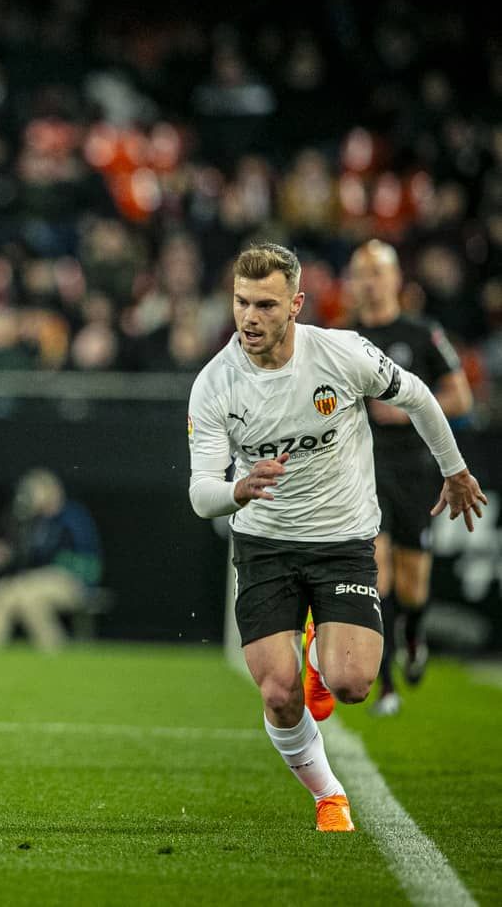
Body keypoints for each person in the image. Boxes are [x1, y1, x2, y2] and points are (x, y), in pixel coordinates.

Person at [187, 243, 486, 832]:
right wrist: (238, 490)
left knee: (350, 684)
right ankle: (329, 795)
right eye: (242, 303)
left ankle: (323, 658)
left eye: (267, 305)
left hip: (342, 538)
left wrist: (454, 470)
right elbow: (201, 493)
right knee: (278, 691)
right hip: (266, 544)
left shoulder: (342, 353)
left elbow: (420, 396)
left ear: (296, 305)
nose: (250, 318)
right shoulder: (214, 383)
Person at [347, 239, 473, 716]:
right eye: (360, 273)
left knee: (412, 582)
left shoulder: (422, 334)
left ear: (396, 279)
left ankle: (415, 634)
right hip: (366, 471)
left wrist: (408, 410)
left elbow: (462, 396)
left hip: (417, 470)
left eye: (377, 272)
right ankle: (386, 685)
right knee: (375, 571)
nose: (368, 282)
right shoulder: (347, 338)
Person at [0, 468, 102, 652]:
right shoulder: (34, 522)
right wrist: (2, 554)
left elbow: (83, 558)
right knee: (1, 591)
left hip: (73, 581)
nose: (28, 496)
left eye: (33, 490)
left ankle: (54, 651)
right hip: (38, 581)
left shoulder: (72, 516)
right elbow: (26, 558)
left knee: (28, 596)